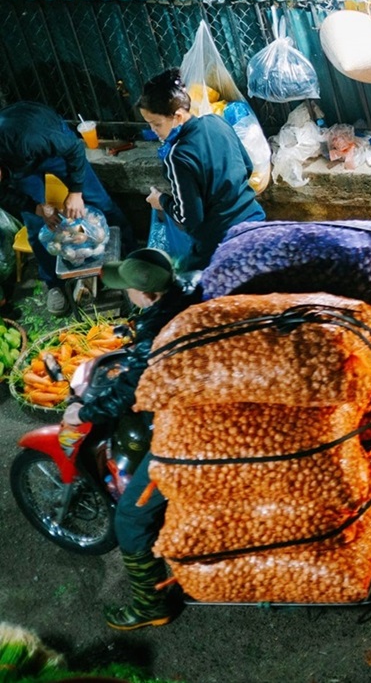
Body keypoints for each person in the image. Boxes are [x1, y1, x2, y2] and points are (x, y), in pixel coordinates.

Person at [58, 247, 200, 630]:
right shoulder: (187, 291)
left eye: (130, 290)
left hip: (185, 433)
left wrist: (83, 412)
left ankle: (153, 606)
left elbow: (133, 390)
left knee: (131, 520)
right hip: (192, 405)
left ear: (147, 294)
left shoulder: (158, 330)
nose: (126, 293)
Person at [0, 101, 133, 315]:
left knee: (101, 202)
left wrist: (76, 192)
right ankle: (54, 284)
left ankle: (132, 257)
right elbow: (5, 195)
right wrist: (34, 207)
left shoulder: (29, 138)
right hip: (18, 166)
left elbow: (73, 149)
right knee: (36, 227)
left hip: (51, 146)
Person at [136, 69, 265, 271]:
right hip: (255, 219)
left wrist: (160, 200)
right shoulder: (217, 121)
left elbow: (189, 218)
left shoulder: (177, 156)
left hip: (220, 242)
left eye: (156, 124)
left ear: (177, 116)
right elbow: (247, 167)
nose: (153, 131)